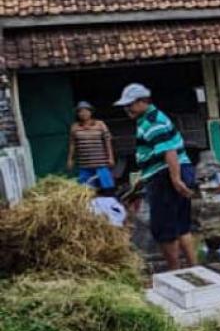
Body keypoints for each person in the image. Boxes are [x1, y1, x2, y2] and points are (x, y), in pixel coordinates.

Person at [115, 83, 197, 269]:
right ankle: (193, 267)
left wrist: (175, 180)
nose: (127, 109)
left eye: (130, 104)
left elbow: (169, 152)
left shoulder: (152, 121)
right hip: (167, 172)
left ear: (143, 101)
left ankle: (175, 272)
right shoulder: (149, 119)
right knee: (180, 225)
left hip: (165, 175)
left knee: (164, 229)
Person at [67, 101, 115, 189]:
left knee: (107, 187)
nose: (83, 113)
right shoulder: (74, 127)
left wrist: (110, 157)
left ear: (90, 112)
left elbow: (107, 141)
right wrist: (70, 159)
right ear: (77, 114)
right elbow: (72, 144)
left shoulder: (100, 124)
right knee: (87, 190)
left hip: (101, 162)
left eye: (86, 111)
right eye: (80, 111)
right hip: (84, 164)